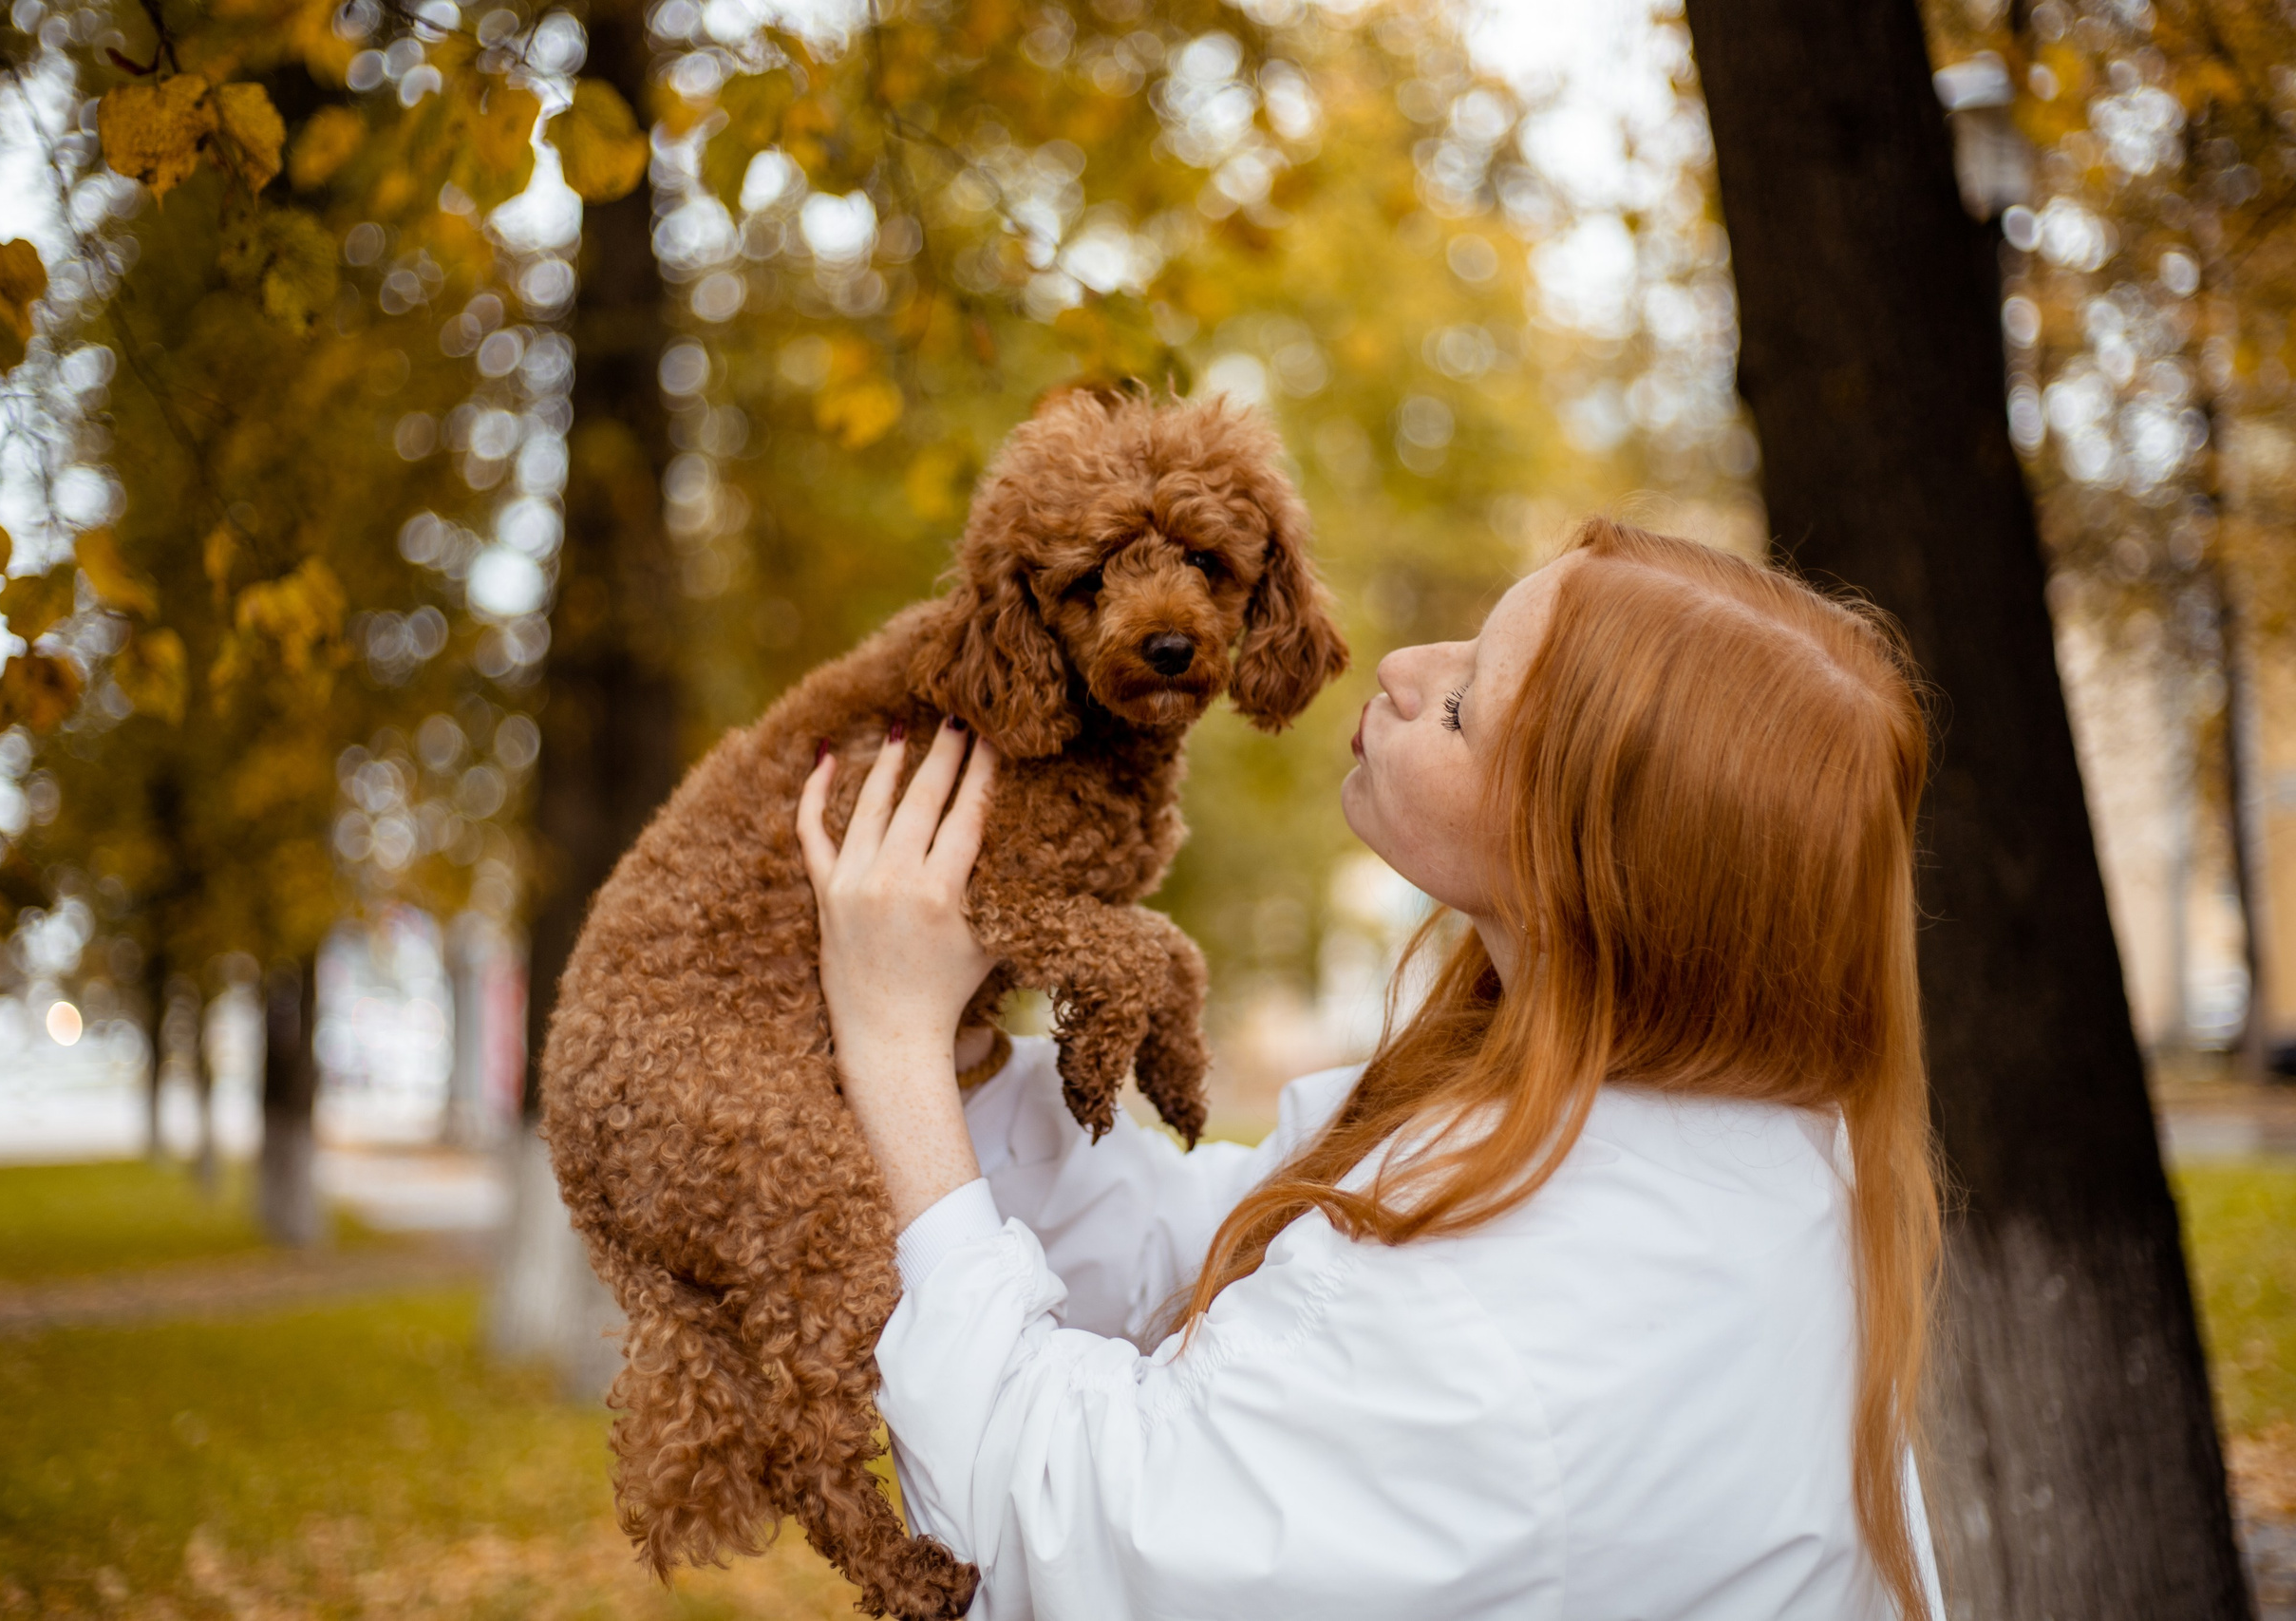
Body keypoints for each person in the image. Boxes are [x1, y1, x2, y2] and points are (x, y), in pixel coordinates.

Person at [796, 518, 1946, 1620]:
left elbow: (1083, 1538)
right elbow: (1230, 1240)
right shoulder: (1685, 1119)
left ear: (1582, 871)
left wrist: (892, 1041)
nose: (1400, 668)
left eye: (1460, 707)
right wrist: (971, 1059)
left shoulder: (1510, 1314)